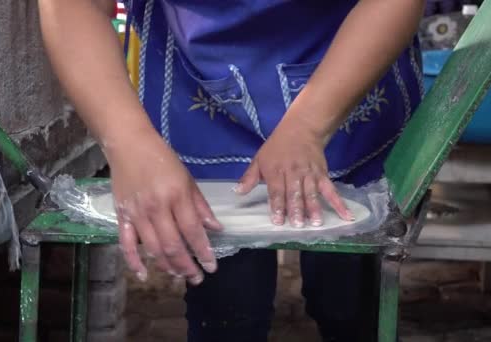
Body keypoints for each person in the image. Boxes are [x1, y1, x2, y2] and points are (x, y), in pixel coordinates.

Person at [38, 0, 425, 340]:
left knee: (345, 294)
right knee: (227, 306)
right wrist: (128, 142)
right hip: (202, 93)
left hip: (345, 74)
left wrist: (308, 125)